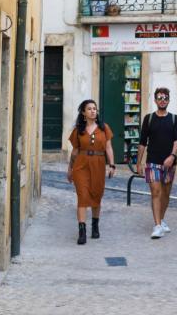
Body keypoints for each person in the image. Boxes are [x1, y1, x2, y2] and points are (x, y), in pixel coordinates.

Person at [67, 99, 116, 245]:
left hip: (99, 164)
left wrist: (112, 165)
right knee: (82, 196)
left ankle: (95, 225)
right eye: (89, 109)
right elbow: (75, 151)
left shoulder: (104, 128)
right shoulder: (78, 130)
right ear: (83, 112)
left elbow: (108, 148)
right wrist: (70, 169)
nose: (93, 111)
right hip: (81, 165)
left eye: (94, 108)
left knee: (96, 195)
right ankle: (82, 231)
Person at [137, 87, 177, 239]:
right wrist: (139, 163)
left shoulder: (175, 119)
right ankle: (157, 226)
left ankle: (161, 219)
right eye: (160, 98)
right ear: (155, 100)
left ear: (169, 100)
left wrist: (172, 156)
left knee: (166, 194)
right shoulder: (148, 119)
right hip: (152, 162)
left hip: (169, 163)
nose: (163, 100)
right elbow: (142, 142)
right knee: (156, 192)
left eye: (165, 98)